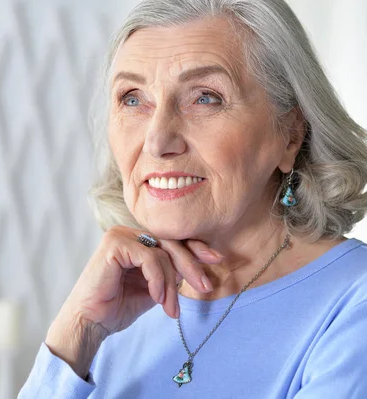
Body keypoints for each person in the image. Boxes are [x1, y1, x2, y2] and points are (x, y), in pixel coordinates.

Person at [18, 0, 367, 397]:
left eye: (205, 97)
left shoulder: (355, 306)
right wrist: (77, 330)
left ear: (289, 133)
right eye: (132, 98)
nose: (157, 140)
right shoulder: (112, 306)